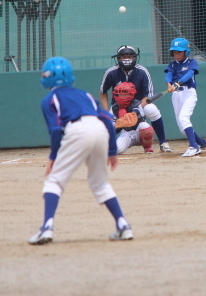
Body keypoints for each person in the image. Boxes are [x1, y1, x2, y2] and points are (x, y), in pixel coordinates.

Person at [29, 56, 133, 245]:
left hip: (77, 131)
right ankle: (123, 225)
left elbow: (54, 130)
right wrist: (112, 151)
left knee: (55, 181)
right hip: (100, 131)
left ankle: (46, 228)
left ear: (46, 77)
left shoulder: (49, 99)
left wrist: (53, 156)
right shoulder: (85, 95)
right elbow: (108, 121)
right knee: (100, 184)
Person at [99, 45, 173, 153]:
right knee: (108, 127)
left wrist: (135, 110)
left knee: (152, 109)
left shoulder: (142, 71)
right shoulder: (111, 72)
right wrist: (106, 112)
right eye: (123, 57)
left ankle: (163, 142)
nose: (127, 59)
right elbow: (102, 92)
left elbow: (149, 96)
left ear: (135, 57)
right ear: (118, 58)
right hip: (117, 107)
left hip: (140, 105)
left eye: (130, 56)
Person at [165, 38, 206, 157]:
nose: (177, 54)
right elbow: (168, 75)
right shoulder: (172, 65)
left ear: (186, 52)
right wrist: (169, 83)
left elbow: (190, 74)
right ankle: (201, 143)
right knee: (182, 128)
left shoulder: (192, 62)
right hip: (176, 95)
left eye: (179, 52)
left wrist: (178, 82)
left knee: (184, 118)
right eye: (174, 52)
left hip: (189, 92)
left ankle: (194, 147)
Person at [110, 82, 155, 154]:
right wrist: (117, 126)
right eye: (120, 94)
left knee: (145, 126)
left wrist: (132, 114)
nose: (122, 96)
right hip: (126, 133)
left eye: (125, 93)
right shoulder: (114, 108)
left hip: (138, 132)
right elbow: (113, 129)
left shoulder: (137, 104)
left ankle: (148, 147)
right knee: (116, 150)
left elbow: (136, 111)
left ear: (131, 94)